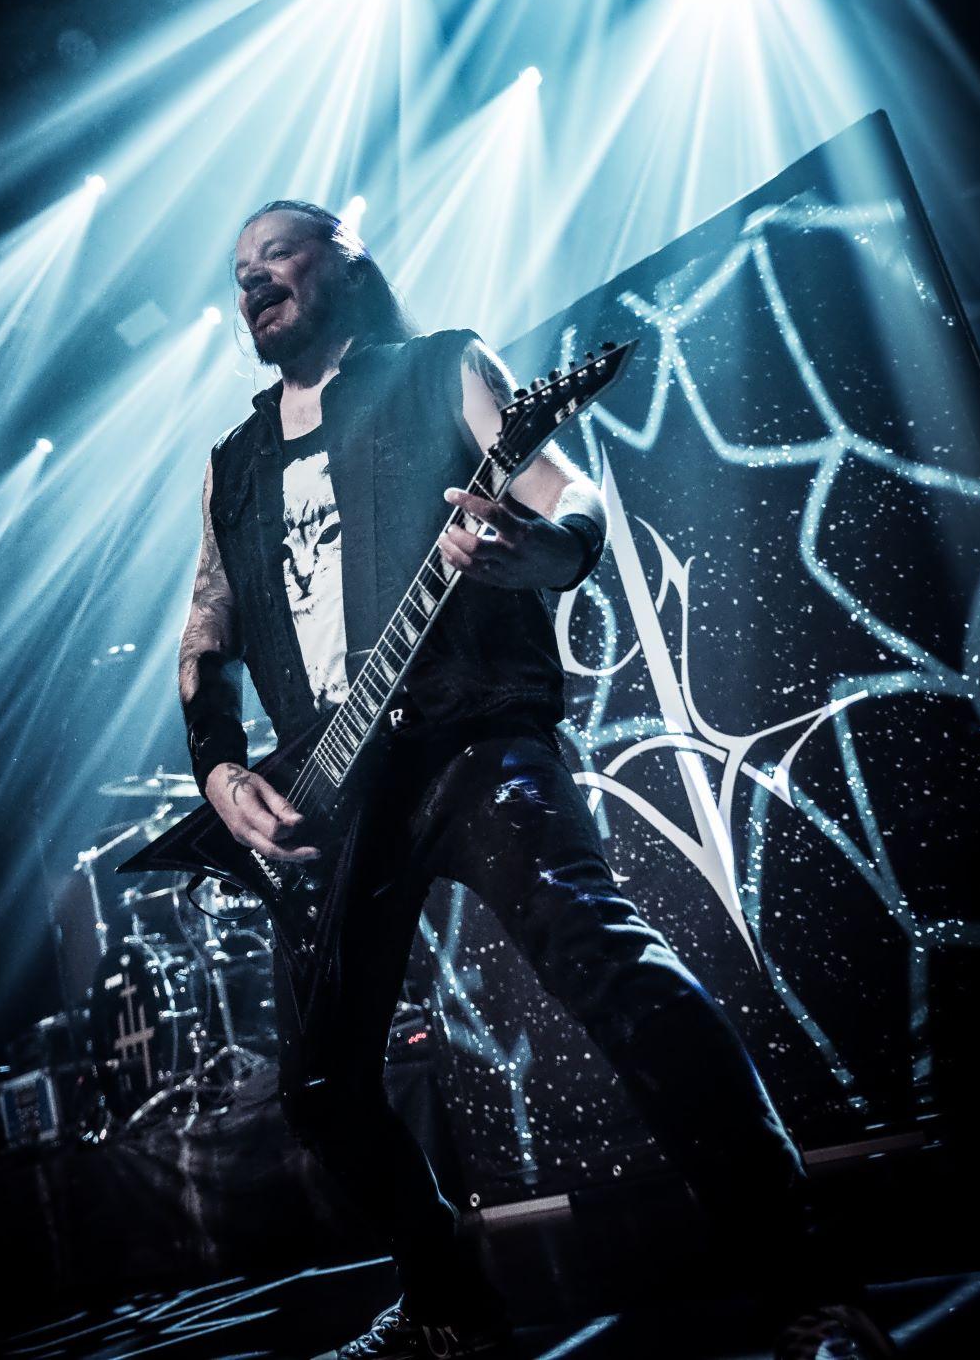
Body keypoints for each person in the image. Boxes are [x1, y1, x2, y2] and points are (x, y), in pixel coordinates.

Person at [178, 200, 894, 1360]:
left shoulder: (441, 366)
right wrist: (218, 768)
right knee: (317, 1088)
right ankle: (449, 1307)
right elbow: (205, 634)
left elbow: (571, 495)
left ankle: (810, 1290)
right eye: (238, 264)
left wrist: (542, 551)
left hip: (467, 736)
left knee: (608, 961)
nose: (251, 274)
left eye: (277, 251)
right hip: (328, 791)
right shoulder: (234, 465)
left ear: (346, 263)